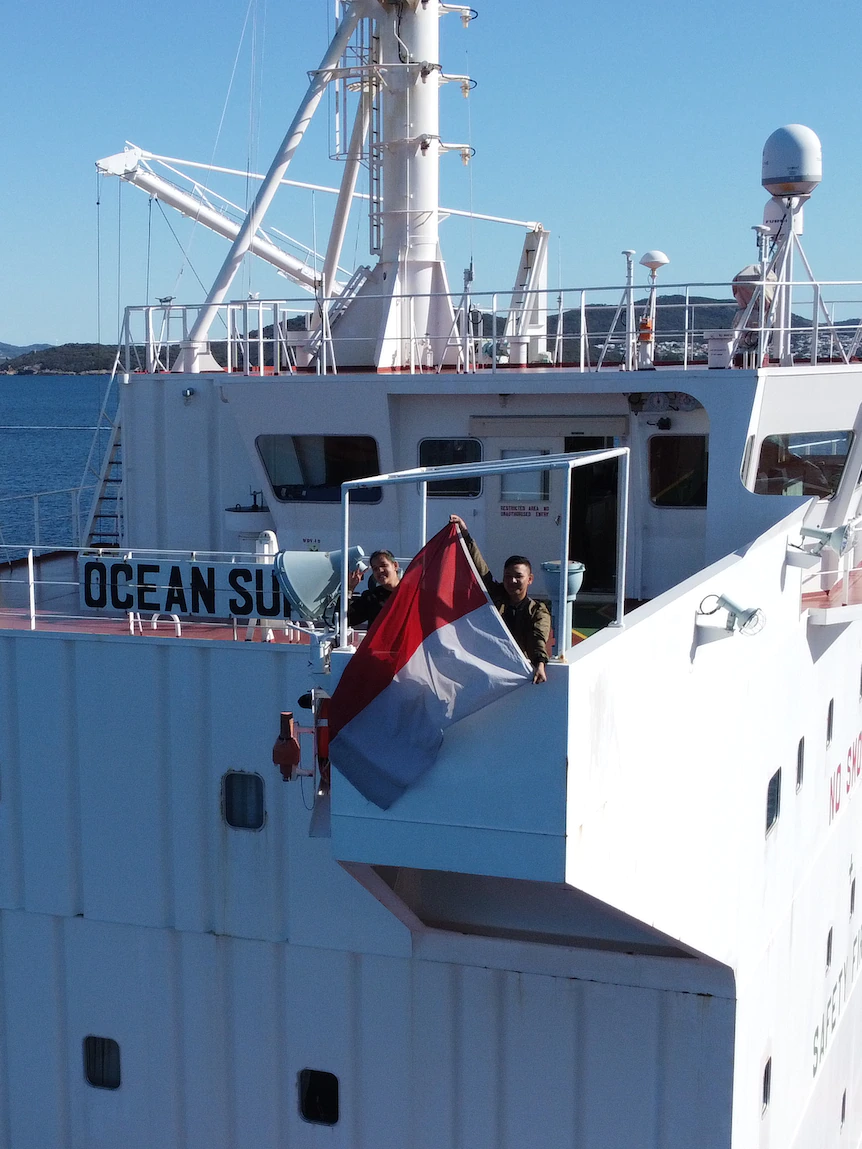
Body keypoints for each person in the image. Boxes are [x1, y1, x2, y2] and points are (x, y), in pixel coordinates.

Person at [449, 515, 550, 684]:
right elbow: (479, 569)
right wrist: (465, 534)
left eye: (518, 576)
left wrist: (540, 664)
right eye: (507, 576)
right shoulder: (494, 597)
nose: (512, 581)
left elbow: (537, 637)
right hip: (488, 669)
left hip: (517, 674)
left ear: (530, 579)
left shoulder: (537, 611)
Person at [346, 549, 401, 627]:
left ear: (395, 566)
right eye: (375, 568)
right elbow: (346, 620)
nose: (380, 570)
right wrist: (349, 589)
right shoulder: (372, 598)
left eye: (383, 565)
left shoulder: (413, 593)